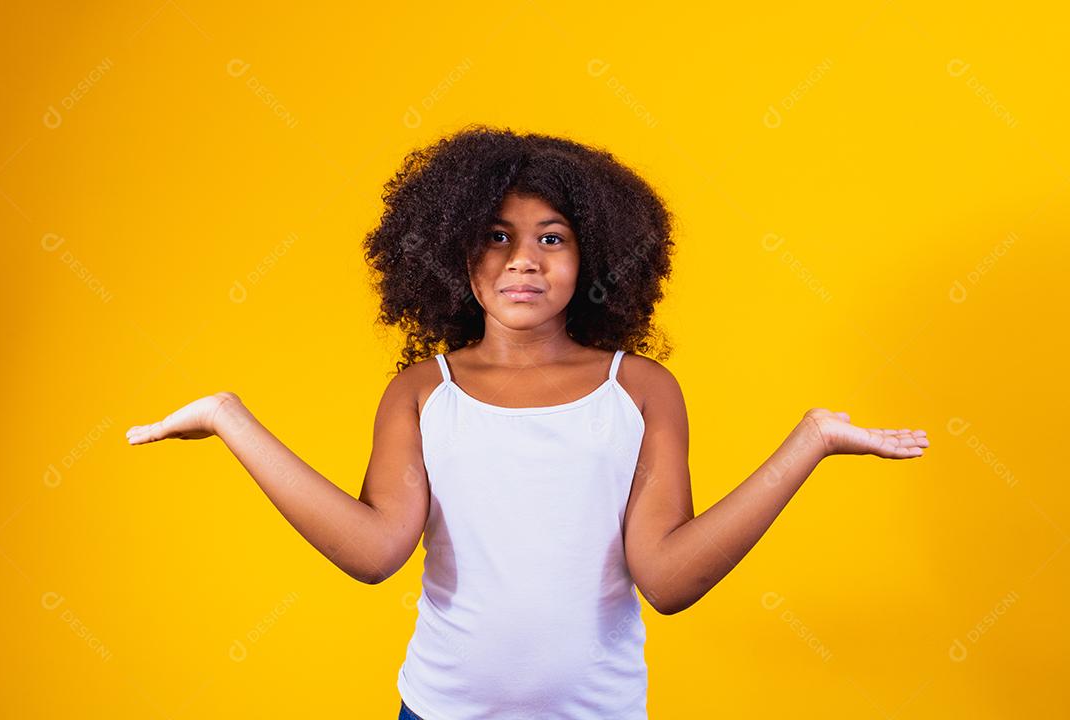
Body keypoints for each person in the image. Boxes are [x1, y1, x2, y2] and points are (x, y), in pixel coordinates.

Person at [126, 125, 930, 719]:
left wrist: (810, 441)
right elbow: (374, 552)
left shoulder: (641, 390)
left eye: (553, 239)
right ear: (451, 253)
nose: (525, 260)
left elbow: (670, 580)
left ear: (592, 261)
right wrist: (231, 421)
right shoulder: (421, 392)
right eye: (497, 239)